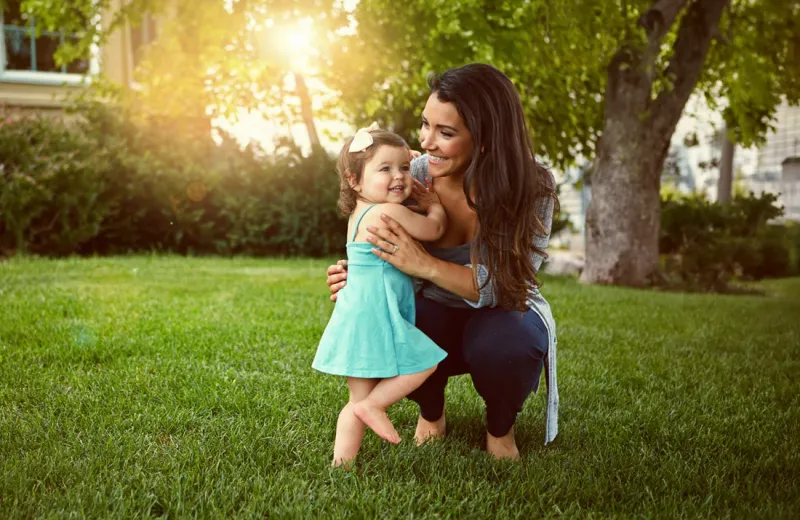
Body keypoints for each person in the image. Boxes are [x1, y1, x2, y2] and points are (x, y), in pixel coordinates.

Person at [326, 63, 559, 460]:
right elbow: (375, 233)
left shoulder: (531, 186)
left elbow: (510, 285)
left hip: (502, 312)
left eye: (445, 133)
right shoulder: (414, 174)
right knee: (385, 319)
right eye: (425, 125)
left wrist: (426, 265)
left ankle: (500, 429)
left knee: (509, 344)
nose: (427, 142)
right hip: (433, 308)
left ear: (484, 140)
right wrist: (358, 278)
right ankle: (432, 413)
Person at [313, 123, 449, 467]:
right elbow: (434, 229)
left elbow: (387, 173)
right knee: (426, 362)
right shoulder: (386, 211)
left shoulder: (361, 211)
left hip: (355, 314)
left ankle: (341, 466)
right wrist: (433, 204)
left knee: (355, 400)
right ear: (355, 180)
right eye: (385, 169)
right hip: (377, 315)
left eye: (404, 167)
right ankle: (377, 404)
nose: (399, 176)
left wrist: (401, 162)